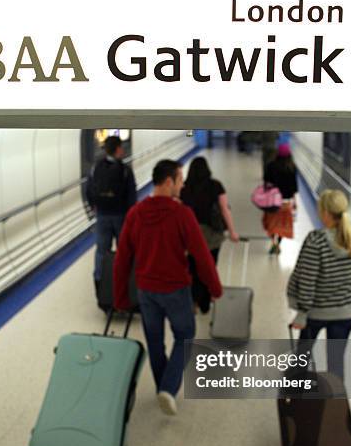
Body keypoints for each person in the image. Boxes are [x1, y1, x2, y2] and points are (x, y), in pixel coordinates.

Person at [113, 160, 222, 416]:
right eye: (180, 180)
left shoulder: (136, 213)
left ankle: (164, 387)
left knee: (154, 340)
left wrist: (120, 297)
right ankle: (168, 388)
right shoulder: (182, 215)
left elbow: (122, 260)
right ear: (169, 182)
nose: (182, 186)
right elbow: (201, 255)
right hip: (175, 289)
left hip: (146, 290)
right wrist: (214, 288)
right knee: (185, 335)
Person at [287, 189, 351, 381]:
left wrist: (301, 314)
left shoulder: (316, 241)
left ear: (325, 212)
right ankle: (335, 407)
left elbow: (307, 280)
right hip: (346, 312)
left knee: (301, 357)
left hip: (316, 311)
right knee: (336, 361)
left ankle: (296, 401)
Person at [180, 156, 239, 313]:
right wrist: (232, 231)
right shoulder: (216, 186)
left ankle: (192, 301)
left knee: (192, 268)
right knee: (209, 267)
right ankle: (205, 303)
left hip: (190, 234)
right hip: (212, 234)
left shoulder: (184, 189)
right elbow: (225, 209)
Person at [86, 135, 137, 294]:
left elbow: (88, 190)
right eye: (121, 147)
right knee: (124, 250)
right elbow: (131, 195)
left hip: (102, 216)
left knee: (102, 251)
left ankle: (100, 282)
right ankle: (125, 283)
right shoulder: (125, 170)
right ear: (117, 150)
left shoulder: (96, 168)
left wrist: (94, 206)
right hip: (121, 216)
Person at [262, 143, 298, 254]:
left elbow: (266, 182)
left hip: (272, 200)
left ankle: (274, 242)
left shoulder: (271, 165)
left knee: (272, 223)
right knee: (282, 224)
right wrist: (295, 201)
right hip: (286, 202)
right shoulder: (292, 167)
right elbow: (294, 187)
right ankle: (279, 243)